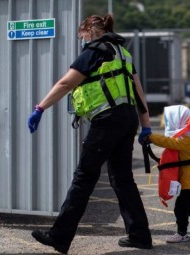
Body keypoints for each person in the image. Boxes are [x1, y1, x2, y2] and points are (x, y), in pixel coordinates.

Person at [27, 14, 153, 254]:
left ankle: (59, 237)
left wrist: (40, 107)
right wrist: (145, 125)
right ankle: (140, 236)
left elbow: (66, 84)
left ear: (89, 31)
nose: (80, 40)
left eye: (80, 35)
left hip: (107, 120)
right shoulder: (123, 54)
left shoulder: (95, 50)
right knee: (123, 178)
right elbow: (138, 91)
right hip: (128, 120)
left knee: (84, 177)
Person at [141, 106, 190, 243]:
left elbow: (169, 142)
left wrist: (150, 137)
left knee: (180, 207)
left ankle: (182, 234)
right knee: (186, 206)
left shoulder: (187, 139)